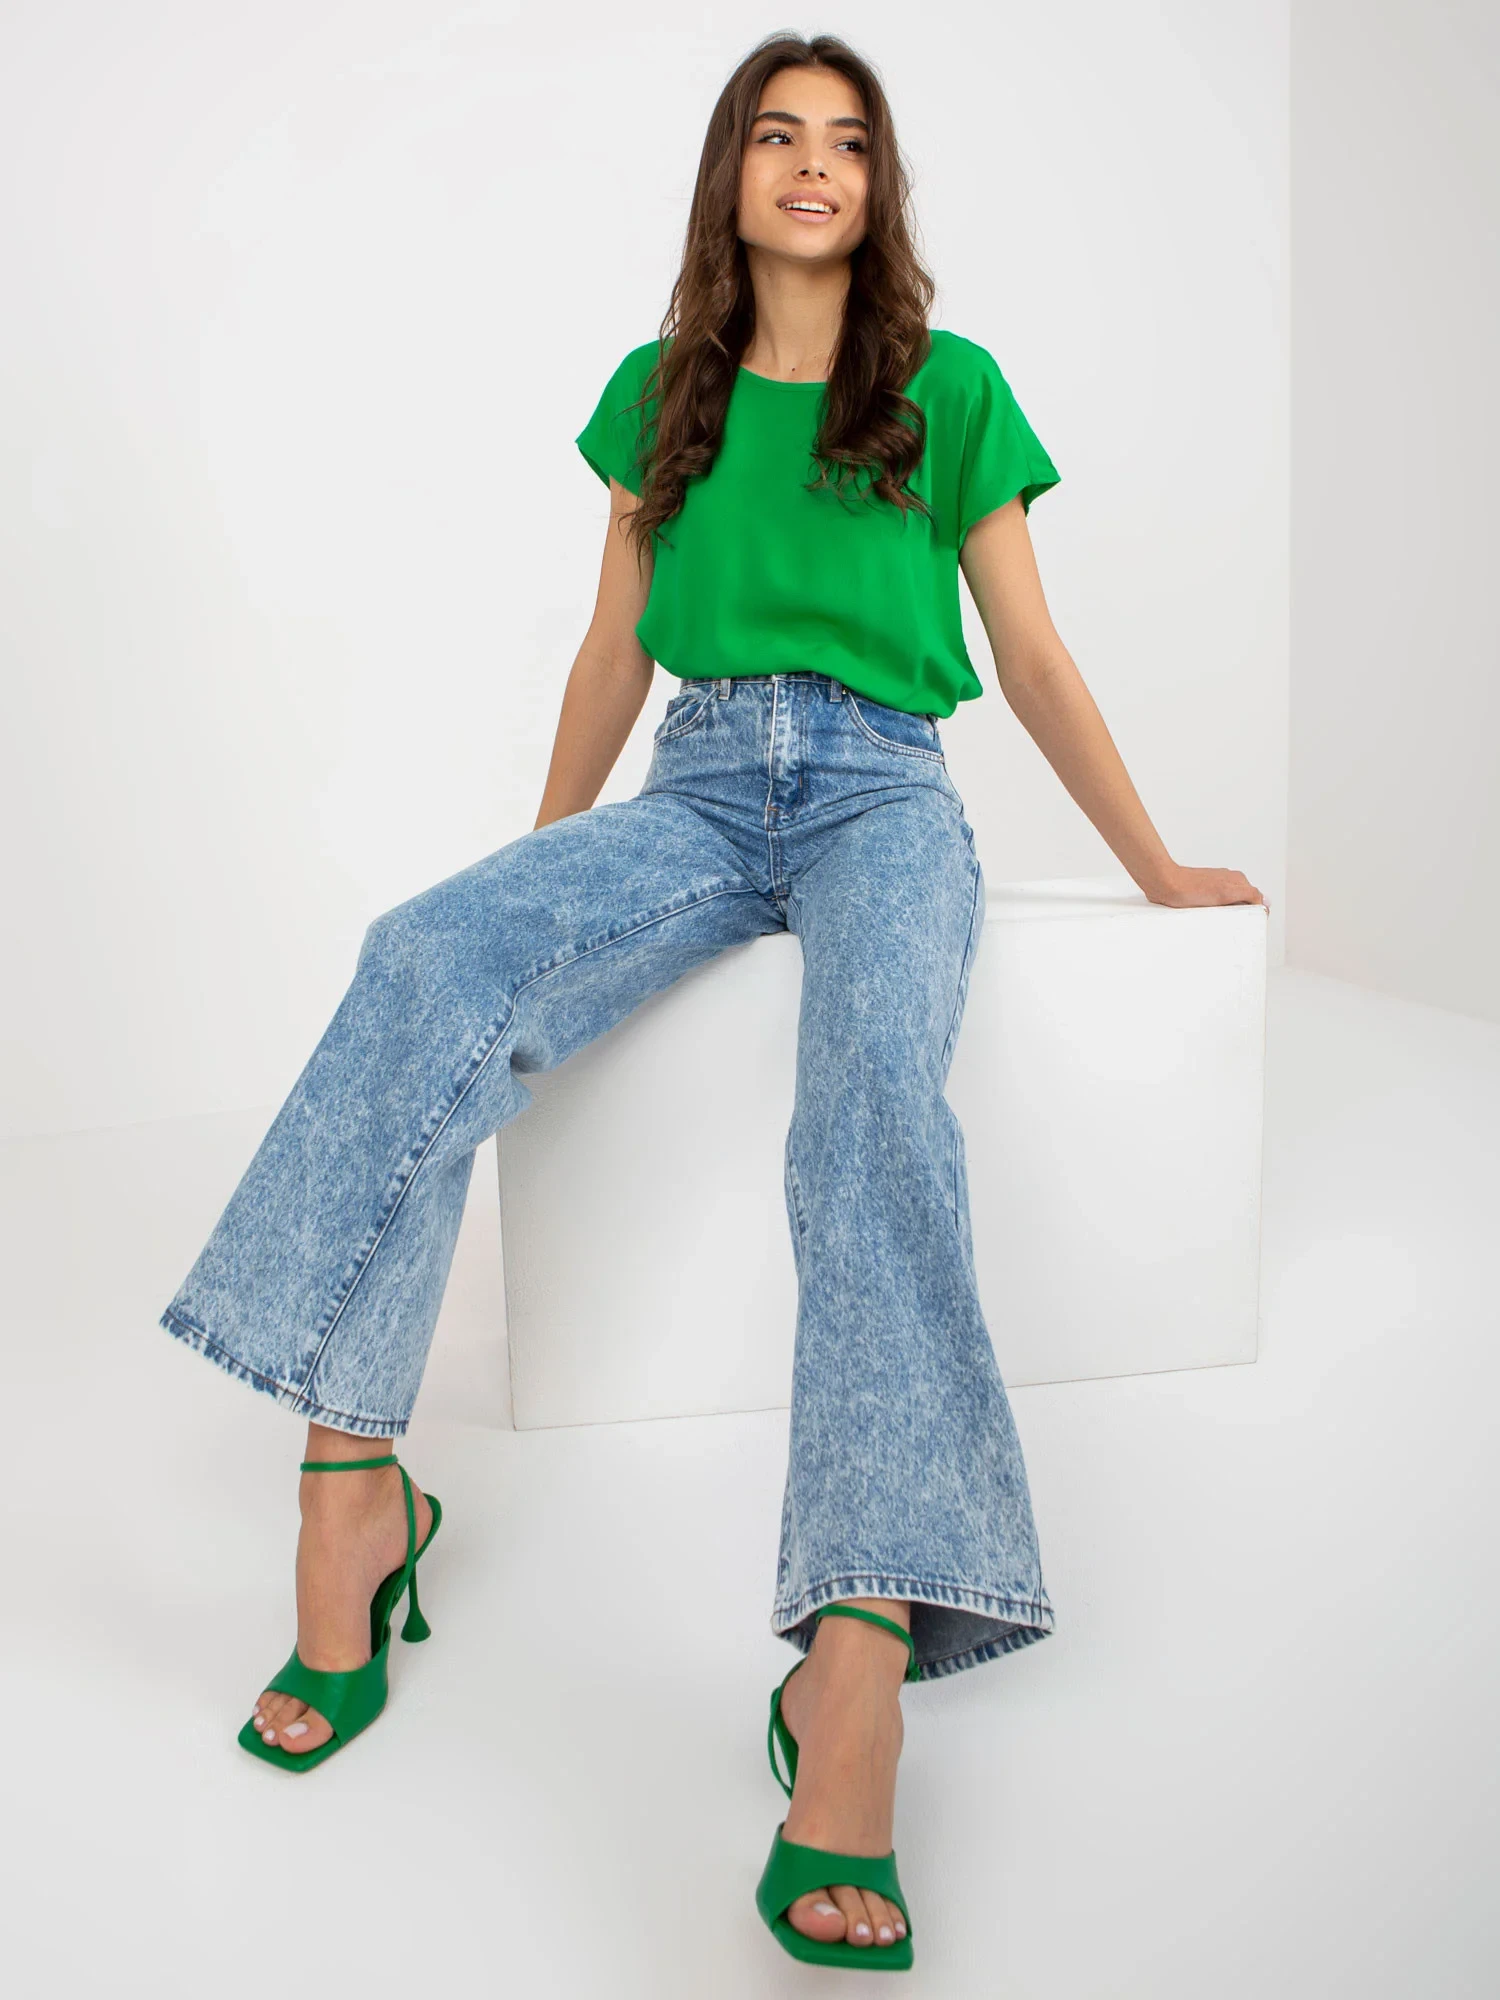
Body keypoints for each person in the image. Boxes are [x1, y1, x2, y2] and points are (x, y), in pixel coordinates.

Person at [158, 30, 1266, 1974]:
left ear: (879, 186)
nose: (813, 163)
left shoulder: (947, 387)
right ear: (732, 175)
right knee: (425, 959)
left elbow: (1027, 653)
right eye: (778, 134)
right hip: (691, 786)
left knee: (871, 1114)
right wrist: (535, 877)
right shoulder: (657, 390)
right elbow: (613, 650)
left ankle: (857, 1665)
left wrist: (1160, 865)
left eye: (848, 140)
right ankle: (351, 1490)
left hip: (885, 794)